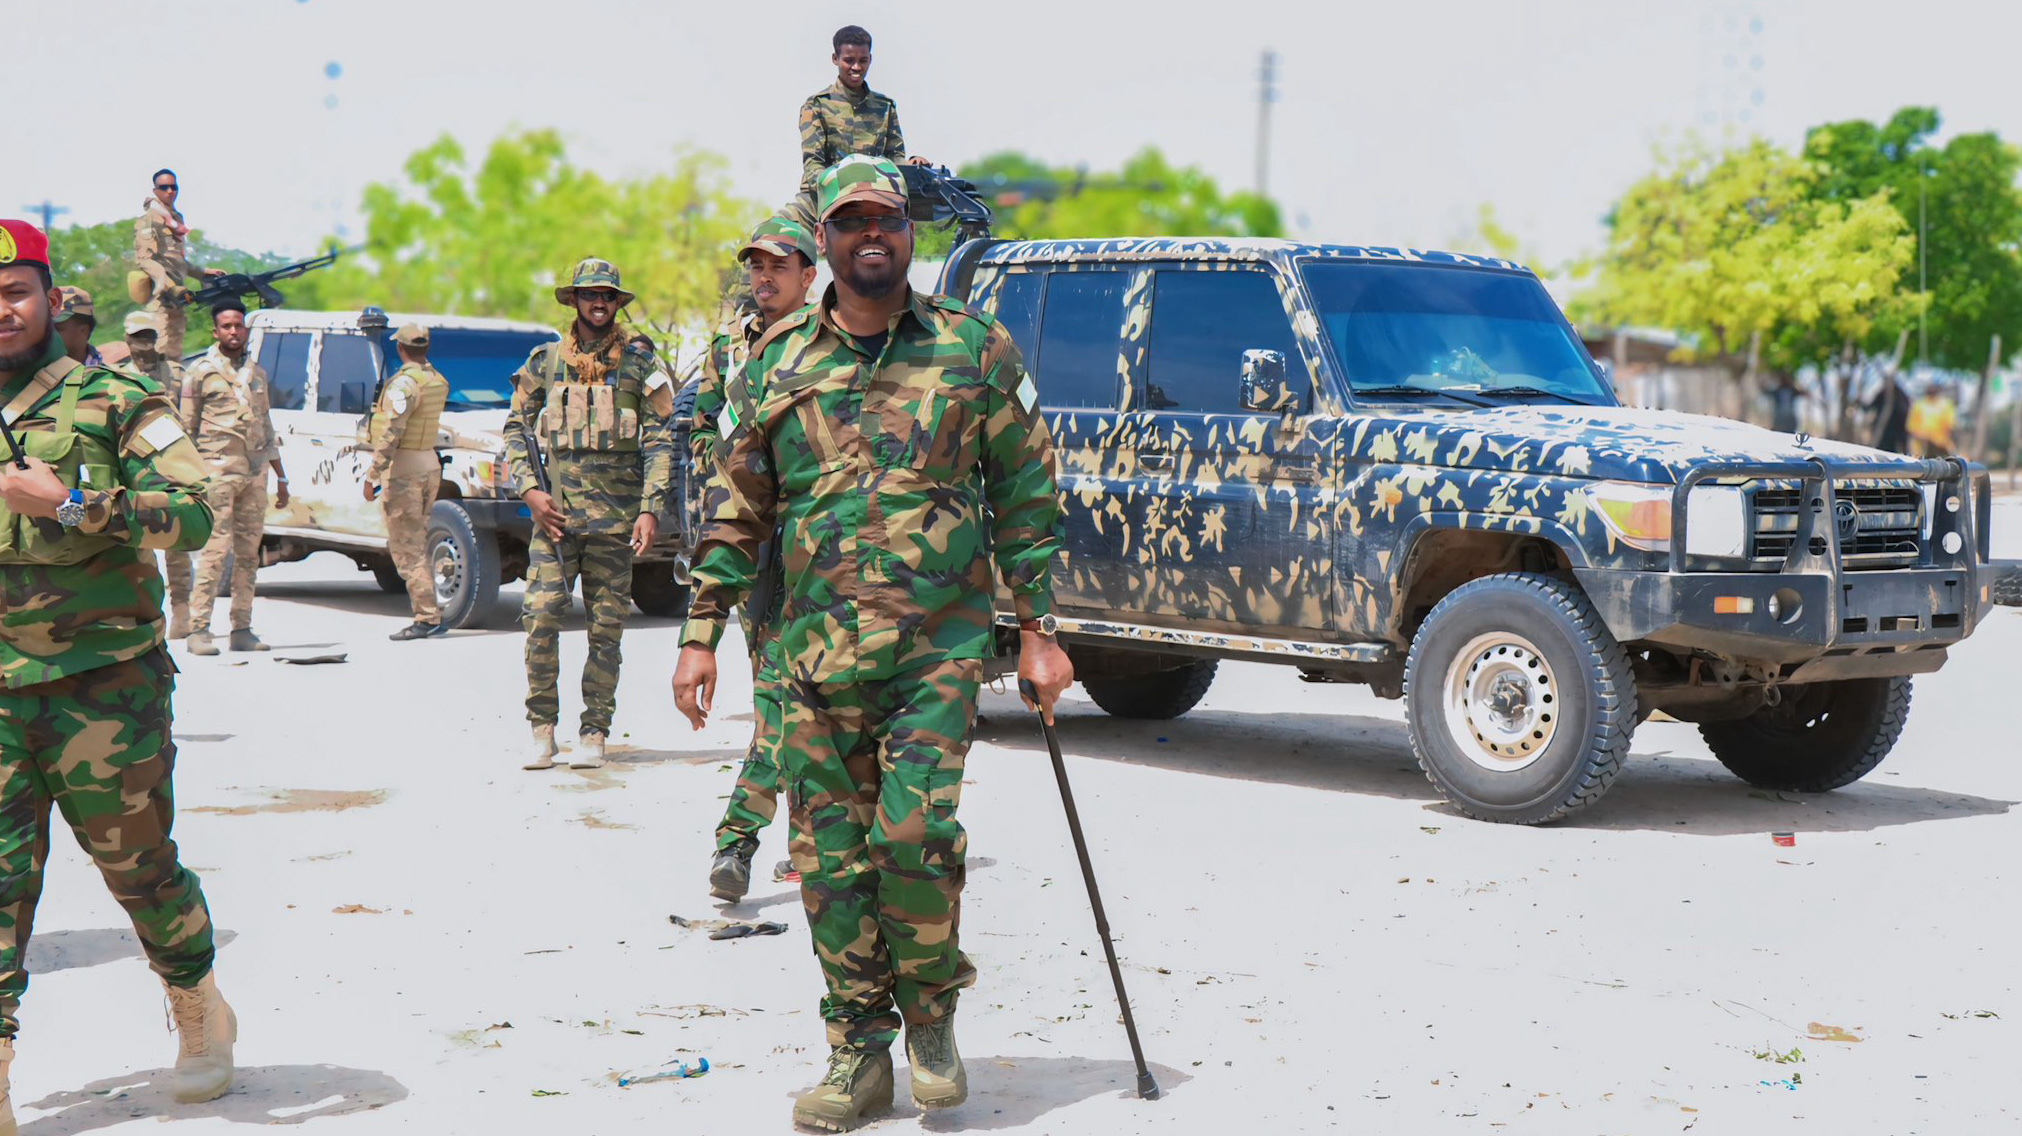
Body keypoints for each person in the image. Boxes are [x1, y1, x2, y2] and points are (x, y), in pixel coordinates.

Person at [671, 157, 1072, 1128]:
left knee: (913, 836)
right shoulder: (772, 362)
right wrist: (700, 636)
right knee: (834, 859)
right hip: (812, 659)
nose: (871, 234)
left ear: (906, 229)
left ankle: (929, 1020)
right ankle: (857, 1050)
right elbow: (735, 508)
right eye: (851, 220)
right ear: (829, 240)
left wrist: (1040, 630)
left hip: (935, 651)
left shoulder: (973, 348)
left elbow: (1025, 490)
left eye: (886, 218)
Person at [0, 220, 237, 1129]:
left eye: (17, 290)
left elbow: (192, 514)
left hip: (103, 685)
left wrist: (67, 501)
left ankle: (198, 1006)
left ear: (51, 299)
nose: (4, 310)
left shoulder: (113, 398)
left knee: (139, 869)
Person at [503, 259, 674, 771]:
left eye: (607, 296)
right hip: (555, 522)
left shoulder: (640, 367)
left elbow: (661, 442)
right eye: (589, 295)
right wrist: (530, 491)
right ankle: (542, 728)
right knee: (539, 619)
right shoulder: (546, 362)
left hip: (616, 525)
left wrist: (650, 509)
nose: (598, 304)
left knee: (607, 631)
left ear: (616, 303)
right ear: (574, 300)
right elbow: (515, 428)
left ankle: (594, 731)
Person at [696, 218, 819, 903]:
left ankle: (776, 845)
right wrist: (723, 491)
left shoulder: (835, 344)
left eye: (778, 265)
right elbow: (700, 425)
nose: (763, 277)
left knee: (800, 701)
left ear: (810, 274)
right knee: (783, 696)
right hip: (758, 549)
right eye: (755, 267)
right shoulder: (729, 351)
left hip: (823, 551)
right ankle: (759, 844)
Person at [182, 300, 289, 656]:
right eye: (226, 326)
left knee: (248, 556)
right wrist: (185, 478)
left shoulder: (257, 374)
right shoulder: (200, 372)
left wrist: (281, 475)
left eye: (238, 326)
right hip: (216, 473)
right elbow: (187, 427)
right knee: (214, 553)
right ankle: (199, 629)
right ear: (216, 331)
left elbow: (267, 423)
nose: (233, 331)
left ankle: (242, 628)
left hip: (254, 475)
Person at [781, 25, 931, 233]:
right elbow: (813, 166)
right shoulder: (816, 106)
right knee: (774, 233)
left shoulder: (885, 106)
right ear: (835, 59)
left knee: (905, 232)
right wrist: (844, 191)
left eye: (863, 60)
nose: (856, 67)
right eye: (849, 60)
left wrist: (911, 166)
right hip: (823, 197)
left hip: (875, 197)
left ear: (870, 59)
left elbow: (894, 156)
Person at [364, 324, 449, 641]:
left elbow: (391, 433)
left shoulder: (404, 385)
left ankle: (427, 618)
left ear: (400, 348)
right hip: (428, 465)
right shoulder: (435, 380)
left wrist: (373, 474)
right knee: (418, 541)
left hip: (404, 471)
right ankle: (431, 612)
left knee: (407, 548)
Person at [119, 310, 197, 638]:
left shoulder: (176, 374)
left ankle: (181, 611)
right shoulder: (116, 376)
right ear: (127, 340)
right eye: (138, 338)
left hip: (169, 465)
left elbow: (192, 419)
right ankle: (133, 611)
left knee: (176, 539)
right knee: (133, 540)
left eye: (150, 336)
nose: (145, 344)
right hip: (133, 466)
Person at [130, 169, 223, 361]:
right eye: (164, 187)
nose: (170, 191)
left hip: (178, 298)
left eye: (174, 187)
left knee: (174, 352)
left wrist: (203, 272)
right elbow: (145, 260)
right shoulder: (148, 221)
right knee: (160, 350)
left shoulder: (175, 220)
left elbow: (177, 261)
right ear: (155, 191)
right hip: (161, 298)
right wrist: (169, 285)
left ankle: (171, 390)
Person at [51, 287, 103, 367]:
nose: (48, 334)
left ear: (83, 331)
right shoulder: (32, 373)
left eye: (57, 328)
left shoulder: (102, 376)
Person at [1906, 381, 1957, 458]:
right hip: (1921, 445)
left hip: (1940, 445)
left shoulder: (1945, 405)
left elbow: (1949, 426)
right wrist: (1922, 436)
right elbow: (1911, 426)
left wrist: (1938, 440)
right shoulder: (1919, 405)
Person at [1864, 373, 1911, 454]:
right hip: (1883, 430)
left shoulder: (1900, 395)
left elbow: (1904, 412)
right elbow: (1871, 406)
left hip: (1896, 430)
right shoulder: (1882, 393)